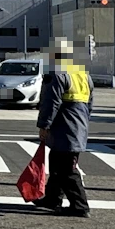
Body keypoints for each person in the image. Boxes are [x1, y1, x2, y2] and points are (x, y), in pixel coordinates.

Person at [33, 37, 93, 218]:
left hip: (63, 127)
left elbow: (51, 102)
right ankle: (52, 199)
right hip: (78, 126)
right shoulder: (82, 74)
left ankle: (80, 205)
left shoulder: (57, 73)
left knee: (67, 169)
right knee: (58, 164)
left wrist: (44, 125)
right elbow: (90, 104)